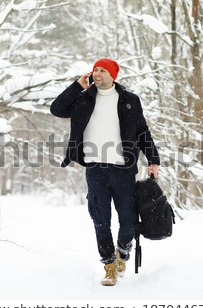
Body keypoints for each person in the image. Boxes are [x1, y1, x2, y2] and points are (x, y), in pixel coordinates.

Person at [50, 58, 160, 286]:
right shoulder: (84, 99)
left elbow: (142, 132)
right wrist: (77, 87)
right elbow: (57, 109)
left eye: (102, 70)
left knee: (128, 221)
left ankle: (123, 251)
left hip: (123, 169)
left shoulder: (129, 101)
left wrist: (153, 159)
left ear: (112, 75)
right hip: (95, 168)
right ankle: (109, 266)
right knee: (101, 220)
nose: (96, 73)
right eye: (95, 69)